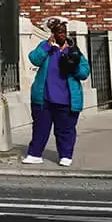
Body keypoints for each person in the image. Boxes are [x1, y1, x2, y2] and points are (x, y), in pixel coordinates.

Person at [21, 18, 90, 167]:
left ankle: (65, 155)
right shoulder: (46, 48)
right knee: (40, 128)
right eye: (59, 32)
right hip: (43, 98)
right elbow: (34, 59)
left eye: (64, 32)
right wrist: (47, 46)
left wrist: (74, 68)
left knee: (65, 130)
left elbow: (85, 71)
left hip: (66, 100)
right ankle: (34, 154)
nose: (62, 35)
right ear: (53, 34)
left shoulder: (73, 50)